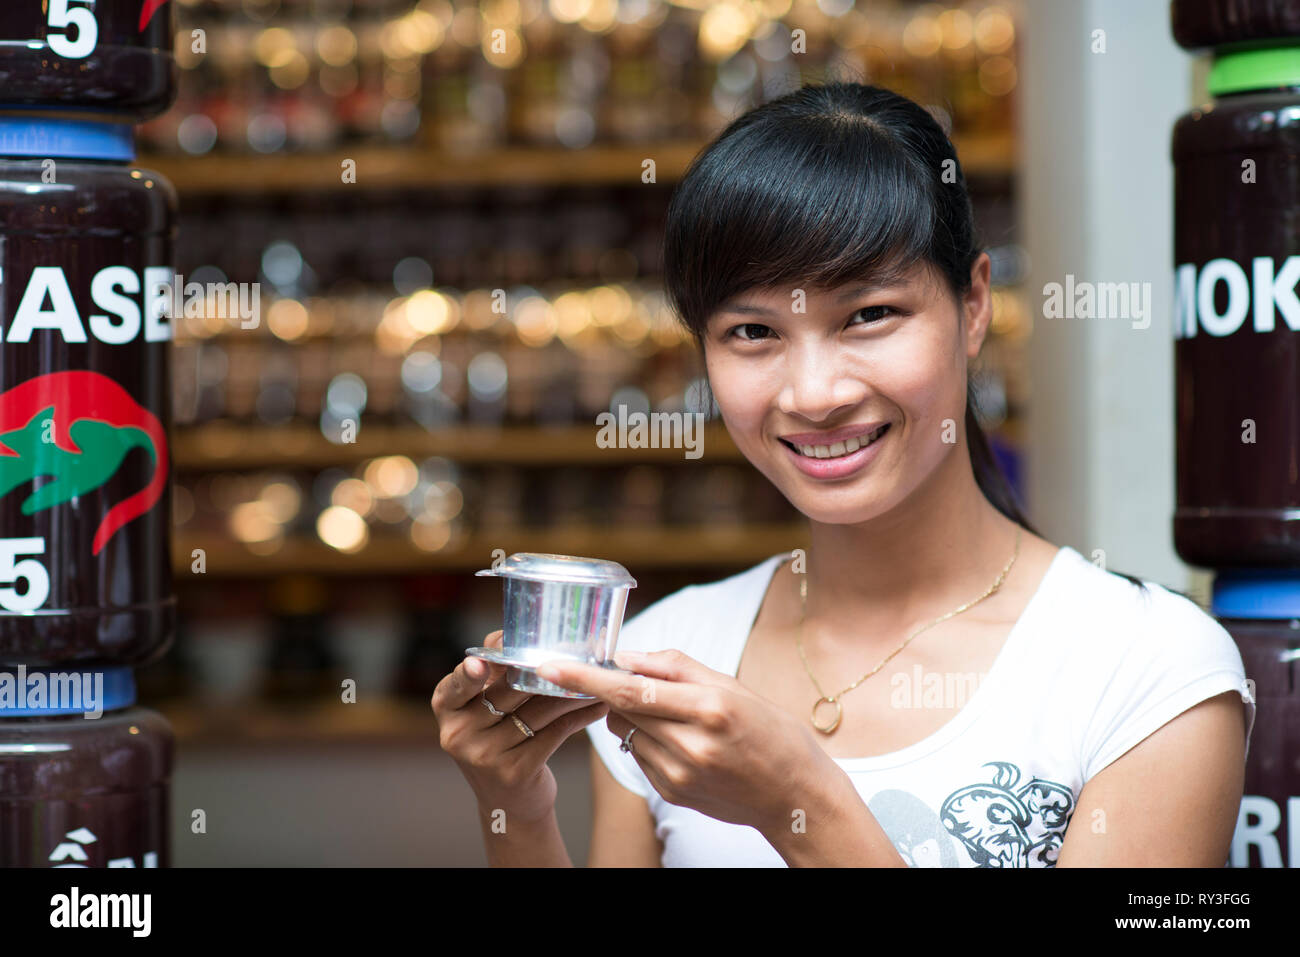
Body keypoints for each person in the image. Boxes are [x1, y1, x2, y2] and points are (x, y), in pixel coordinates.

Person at [432, 80, 1256, 867]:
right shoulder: (661, 655)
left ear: (973, 307)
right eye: (753, 332)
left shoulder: (1151, 670)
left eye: (868, 315)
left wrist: (802, 802)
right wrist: (518, 809)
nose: (814, 394)